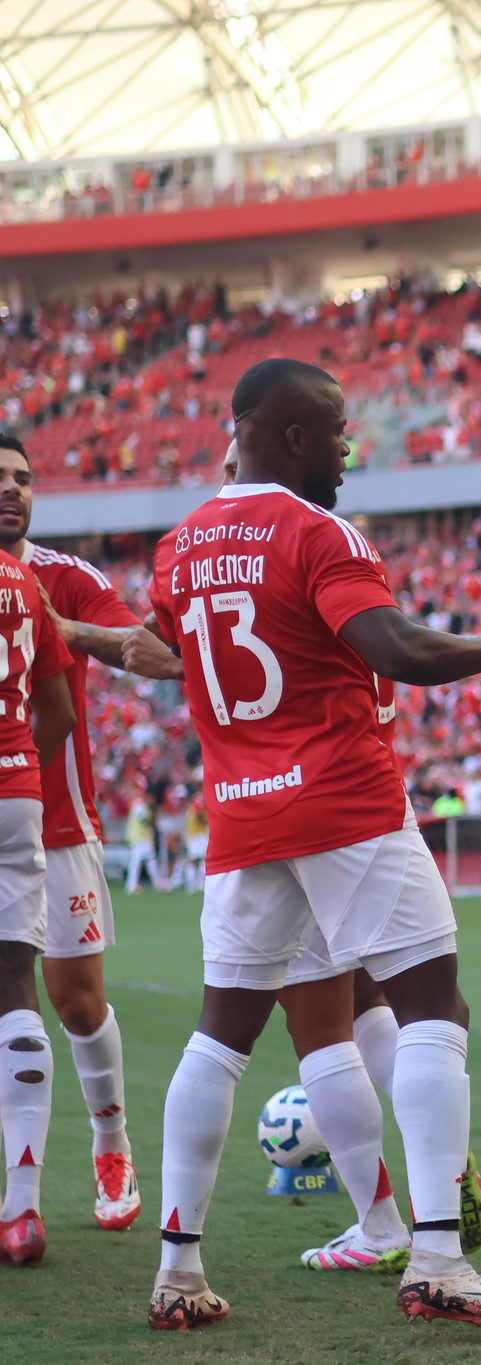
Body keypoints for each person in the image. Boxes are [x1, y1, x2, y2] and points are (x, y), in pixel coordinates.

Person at [138, 359, 481, 1332]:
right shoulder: (317, 532)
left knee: (219, 1037)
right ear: (292, 436)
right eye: (335, 430)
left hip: (242, 817)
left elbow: (179, 651)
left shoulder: (178, 545)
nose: (347, 449)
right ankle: (439, 1258)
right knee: (431, 1007)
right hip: (343, 803)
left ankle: (177, 1269)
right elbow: (396, 650)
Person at [0, 433, 182, 1238]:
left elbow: (150, 647)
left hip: (56, 819)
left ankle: (112, 1142)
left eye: (23, 477)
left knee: (75, 1000)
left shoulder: (66, 576)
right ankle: (21, 1193)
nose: (12, 488)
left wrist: (58, 627)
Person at [0, 443, 77, 1268]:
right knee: (15, 979)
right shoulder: (24, 583)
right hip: (16, 792)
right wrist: (19, 766)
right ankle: (21, 1208)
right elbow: (58, 709)